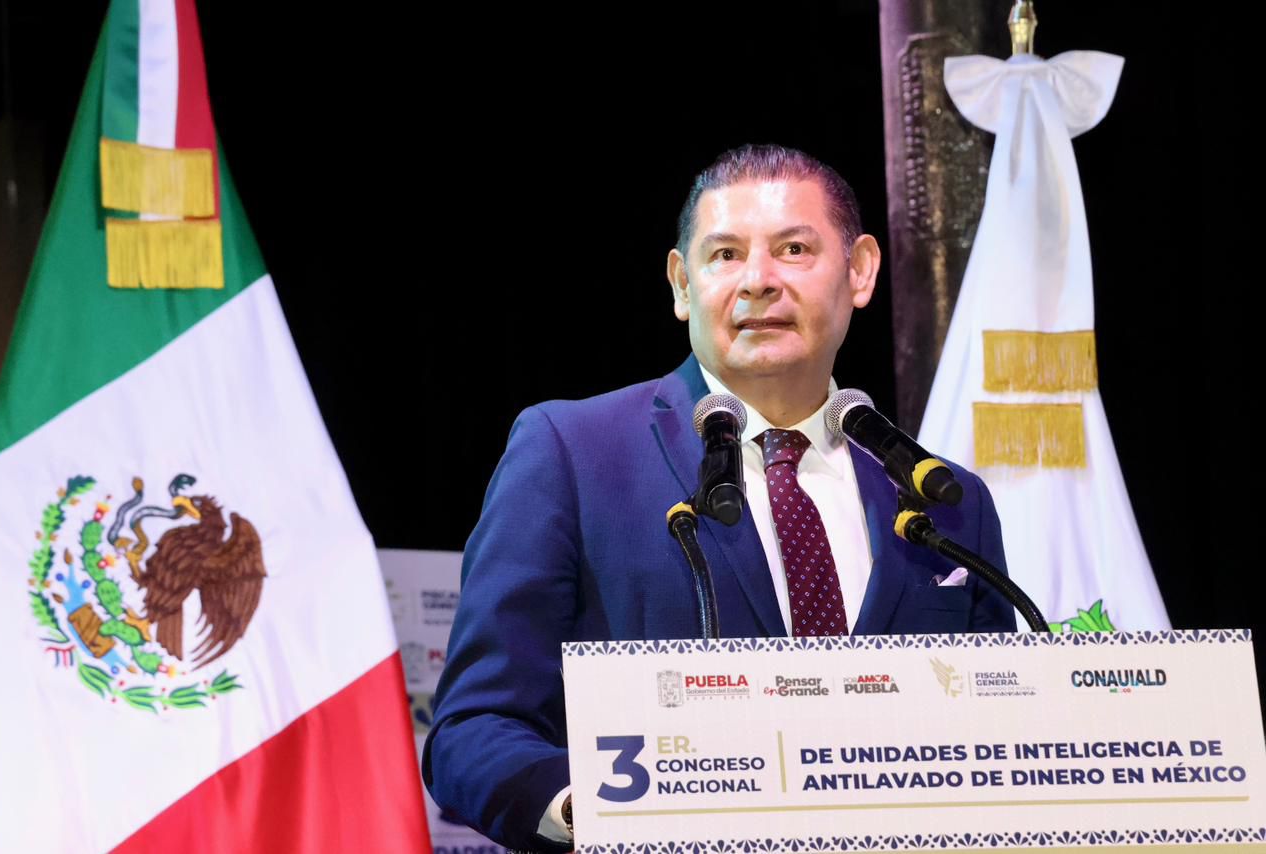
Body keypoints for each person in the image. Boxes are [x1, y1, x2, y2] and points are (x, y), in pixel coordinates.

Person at [423, 144, 1016, 852]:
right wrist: (602, 810)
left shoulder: (944, 499)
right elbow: (472, 729)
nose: (758, 281)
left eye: (794, 249)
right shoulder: (572, 454)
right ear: (682, 285)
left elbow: (995, 731)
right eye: (725, 254)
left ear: (859, 270)